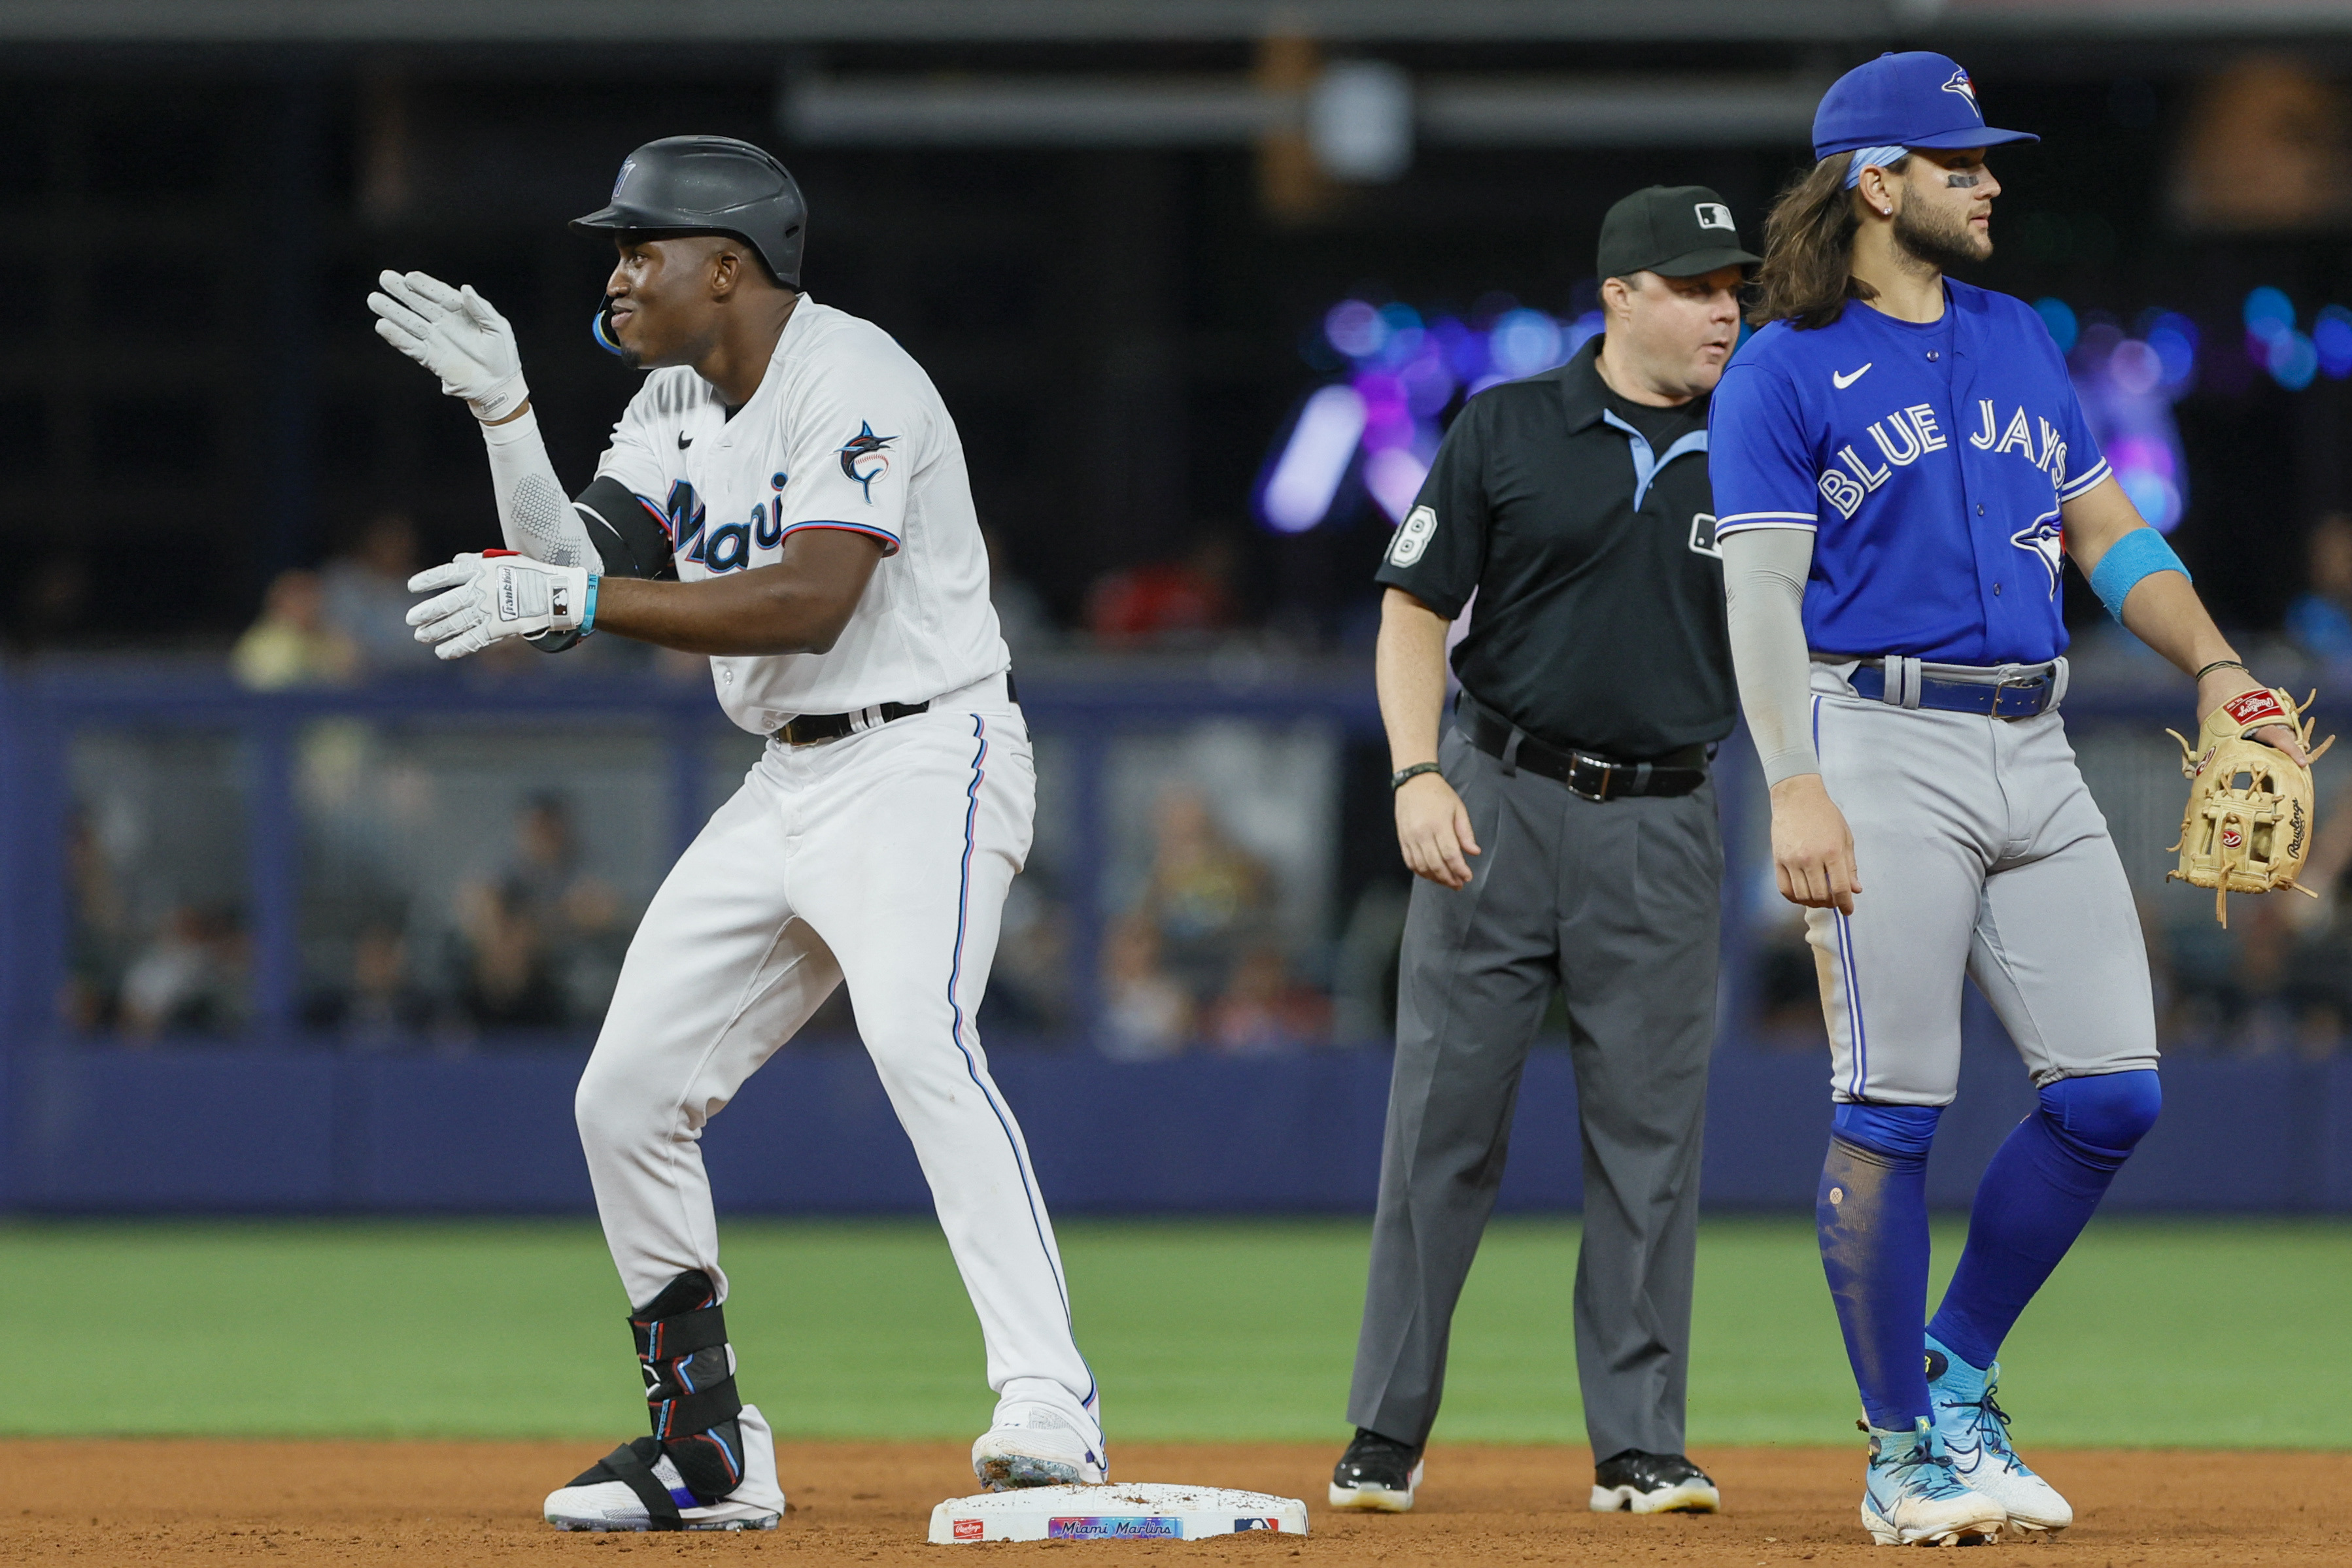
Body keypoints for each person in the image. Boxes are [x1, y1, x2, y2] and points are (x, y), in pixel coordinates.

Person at [367, 135, 1101, 1533]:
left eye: (642, 247)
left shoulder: (856, 379)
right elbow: (577, 582)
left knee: (915, 1036)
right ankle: (706, 1445)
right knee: (624, 1097)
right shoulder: (667, 403)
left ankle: (1048, 1396)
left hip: (923, 750)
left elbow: (807, 600)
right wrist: (508, 415)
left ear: (730, 266)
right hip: (787, 776)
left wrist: (577, 607)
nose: (620, 272)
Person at [1709, 51, 2309, 1547]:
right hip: (1874, 737)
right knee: (1892, 1105)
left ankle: (1952, 1371)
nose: (1989, 180)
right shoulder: (1783, 366)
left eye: (1987, 158)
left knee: (2112, 1089)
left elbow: (2107, 533)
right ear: (1874, 181)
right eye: (1958, 159)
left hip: (2031, 741)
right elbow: (1762, 602)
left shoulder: (2015, 336)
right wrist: (1791, 785)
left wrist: (2220, 667)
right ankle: (1900, 1455)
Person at [1331, 186, 1757, 1519]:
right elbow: (1412, 607)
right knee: (1439, 1131)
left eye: (1731, 285)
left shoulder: (1758, 447)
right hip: (1496, 796)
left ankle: (1637, 1444)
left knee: (1648, 1143)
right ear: (1618, 294)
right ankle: (1384, 1431)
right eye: (1693, 285)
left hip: (1668, 818)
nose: (1722, 308)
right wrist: (1413, 772)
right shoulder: (1510, 423)